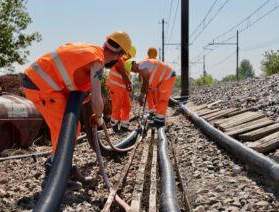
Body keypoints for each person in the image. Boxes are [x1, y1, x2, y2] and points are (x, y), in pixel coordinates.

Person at [22, 31, 131, 189]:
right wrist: (99, 117)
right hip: (42, 85)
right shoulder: (97, 62)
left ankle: (61, 166)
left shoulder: (90, 50)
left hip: (45, 84)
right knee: (63, 130)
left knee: (73, 127)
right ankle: (55, 174)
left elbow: (70, 77)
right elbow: (96, 98)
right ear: (119, 56)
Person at [124, 58, 176, 128]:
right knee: (158, 99)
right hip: (164, 78)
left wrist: (141, 96)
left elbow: (146, 82)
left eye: (133, 69)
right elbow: (146, 84)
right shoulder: (141, 68)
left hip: (168, 76)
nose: (135, 72)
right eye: (132, 71)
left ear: (134, 64)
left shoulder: (142, 66)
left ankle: (160, 122)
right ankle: (158, 120)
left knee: (162, 99)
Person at [106, 45, 136, 132]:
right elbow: (124, 75)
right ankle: (114, 124)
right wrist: (130, 84)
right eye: (129, 55)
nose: (130, 57)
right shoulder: (119, 60)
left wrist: (129, 86)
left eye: (131, 56)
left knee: (127, 106)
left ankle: (124, 126)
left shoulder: (126, 64)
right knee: (117, 106)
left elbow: (126, 77)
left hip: (123, 89)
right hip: (115, 88)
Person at [145, 47, 158, 119]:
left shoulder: (145, 62)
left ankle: (151, 112)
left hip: (148, 85)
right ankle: (156, 111)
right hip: (156, 85)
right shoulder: (159, 62)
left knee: (149, 99)